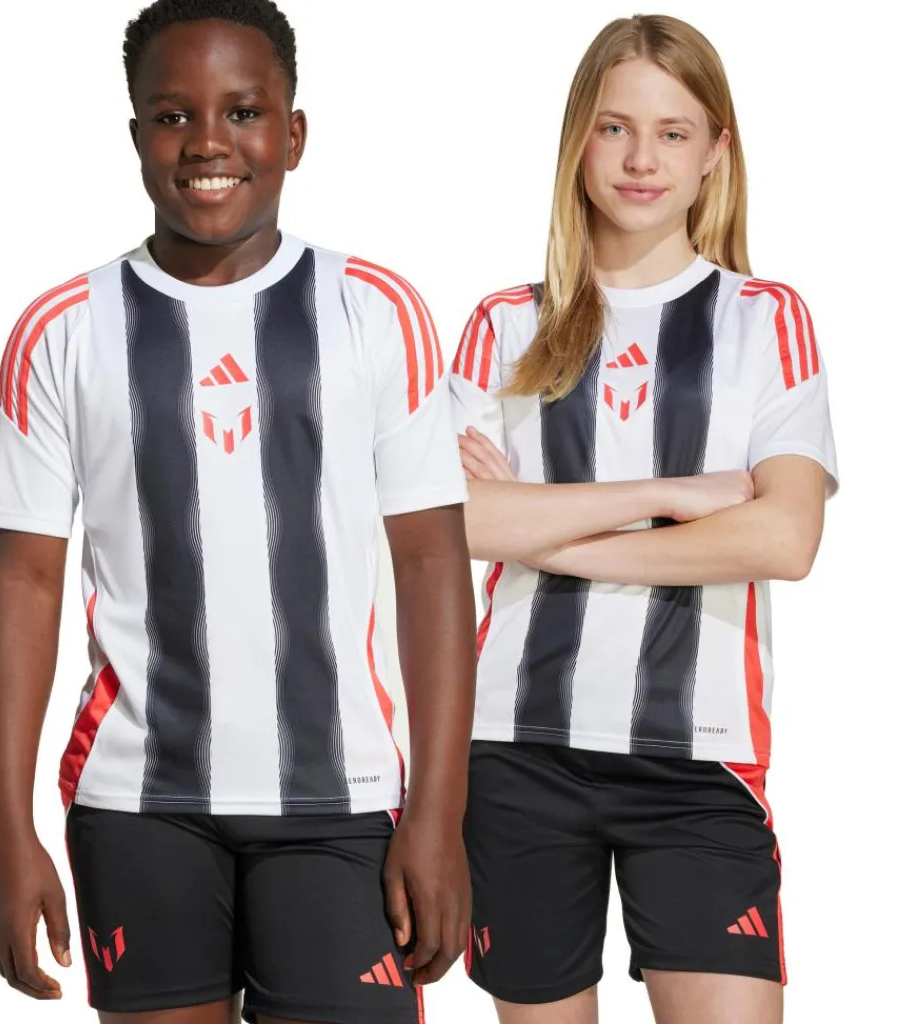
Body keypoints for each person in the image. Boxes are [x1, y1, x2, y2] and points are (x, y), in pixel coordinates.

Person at [0, 2, 476, 1022]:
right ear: (136, 137)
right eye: (174, 116)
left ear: (294, 133)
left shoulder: (375, 312)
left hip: (340, 800)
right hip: (137, 803)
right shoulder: (63, 330)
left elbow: (432, 566)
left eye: (243, 112)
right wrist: (1, 832)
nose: (208, 142)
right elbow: (21, 581)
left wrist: (440, 812)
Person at [450, 14, 836, 1024]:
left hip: (699, 759)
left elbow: (783, 538)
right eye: (615, 127)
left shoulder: (764, 320)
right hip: (515, 745)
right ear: (578, 139)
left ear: (715, 152)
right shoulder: (504, 322)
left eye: (672, 132)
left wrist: (541, 530)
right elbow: (451, 528)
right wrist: (668, 498)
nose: (640, 159)